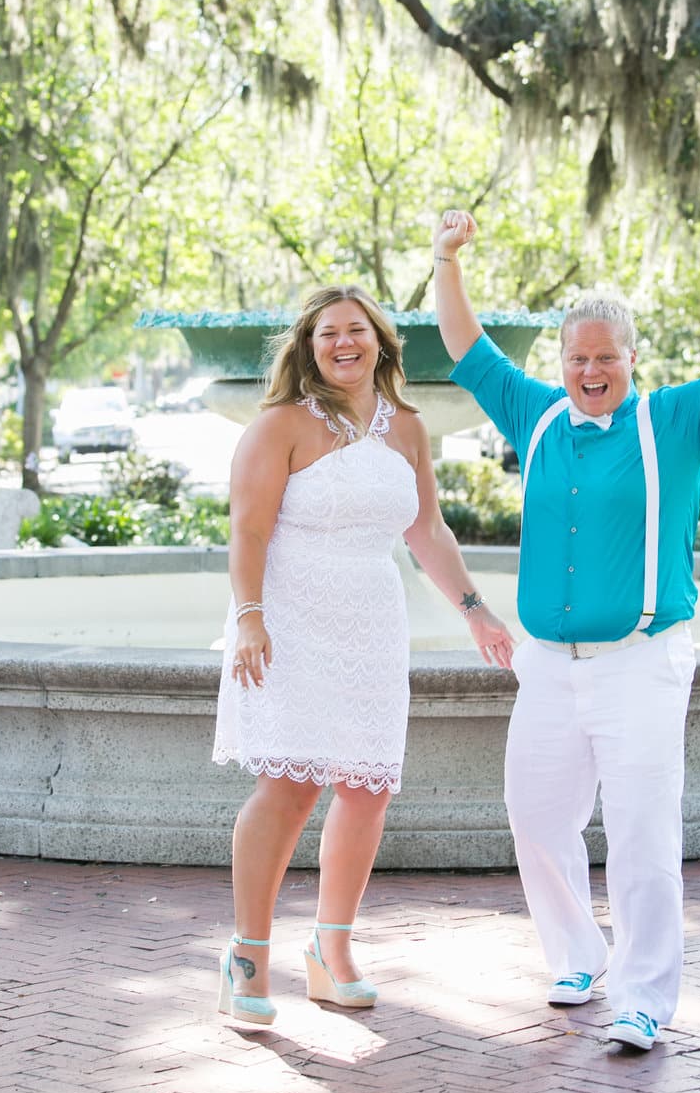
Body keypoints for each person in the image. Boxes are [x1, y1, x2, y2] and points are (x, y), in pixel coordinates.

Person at [433, 209, 700, 1051]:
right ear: (561, 364)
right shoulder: (539, 418)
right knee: (534, 813)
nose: (591, 370)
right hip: (548, 665)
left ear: (631, 359)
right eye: (576, 357)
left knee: (641, 828)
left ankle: (645, 997)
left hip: (643, 662)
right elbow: (466, 350)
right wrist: (445, 259)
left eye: (605, 357)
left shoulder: (675, 423)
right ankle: (578, 956)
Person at [213, 283, 514, 1027]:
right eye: (327, 334)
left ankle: (331, 951)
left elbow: (427, 531)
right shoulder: (279, 425)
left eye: (356, 330)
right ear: (308, 348)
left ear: (380, 340)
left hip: (372, 622)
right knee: (288, 788)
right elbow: (247, 532)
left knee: (366, 788)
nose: (343, 343)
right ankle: (247, 957)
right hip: (287, 617)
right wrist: (249, 618)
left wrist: (474, 610)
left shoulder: (406, 427)